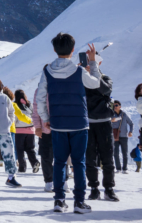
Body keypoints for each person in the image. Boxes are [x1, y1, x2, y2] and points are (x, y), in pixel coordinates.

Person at [36, 33, 101, 214]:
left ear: (55, 50)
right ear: (73, 50)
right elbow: (96, 84)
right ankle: (79, 202)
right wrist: (93, 64)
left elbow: (41, 98)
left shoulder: (47, 71)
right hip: (79, 123)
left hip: (57, 124)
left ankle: (59, 200)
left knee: (59, 162)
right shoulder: (80, 71)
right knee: (78, 162)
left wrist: (46, 118)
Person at [84, 61, 118, 201]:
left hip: (104, 123)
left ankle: (109, 189)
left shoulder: (105, 78)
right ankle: (94, 188)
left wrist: (93, 72)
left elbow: (106, 90)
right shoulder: (81, 79)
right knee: (90, 158)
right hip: (87, 123)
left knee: (108, 158)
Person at [33, 85, 55, 192]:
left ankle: (62, 181)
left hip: (60, 129)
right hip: (45, 130)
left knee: (61, 157)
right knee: (46, 157)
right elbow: (35, 110)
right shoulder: (39, 91)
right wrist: (37, 127)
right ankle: (49, 181)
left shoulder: (60, 86)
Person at [13, 89, 39, 173]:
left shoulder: (15, 105)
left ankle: (22, 167)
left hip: (19, 131)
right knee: (30, 148)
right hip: (31, 130)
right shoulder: (29, 104)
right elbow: (34, 114)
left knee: (20, 149)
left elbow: (15, 118)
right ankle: (35, 162)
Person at [111, 100, 134, 173]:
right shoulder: (111, 115)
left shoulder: (124, 115)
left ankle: (125, 168)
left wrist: (130, 132)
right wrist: (111, 121)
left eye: (116, 105)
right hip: (115, 137)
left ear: (120, 106)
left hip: (124, 136)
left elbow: (131, 123)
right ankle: (118, 168)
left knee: (125, 153)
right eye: (114, 105)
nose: (115, 107)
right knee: (116, 153)